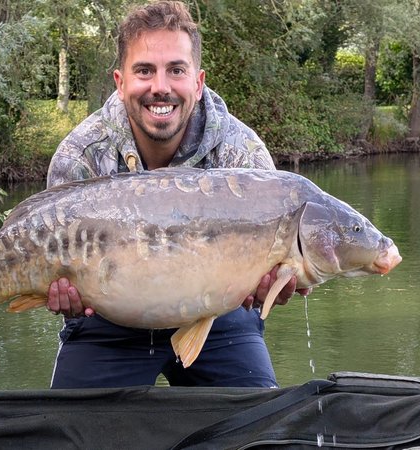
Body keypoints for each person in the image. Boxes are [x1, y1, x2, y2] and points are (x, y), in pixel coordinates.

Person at [45, 0, 308, 389]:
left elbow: (277, 268)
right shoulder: (80, 156)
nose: (160, 87)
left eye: (176, 70)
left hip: (219, 318)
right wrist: (63, 295)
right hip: (108, 320)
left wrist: (274, 283)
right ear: (120, 82)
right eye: (144, 71)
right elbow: (56, 270)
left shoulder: (243, 156)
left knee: (257, 419)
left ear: (198, 83)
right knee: (68, 424)